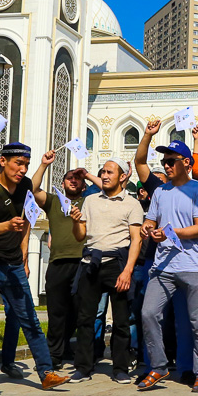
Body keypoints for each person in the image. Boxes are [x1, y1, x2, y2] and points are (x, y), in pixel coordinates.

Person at [0, 142, 69, 396]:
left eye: (26, 165)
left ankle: (46, 373)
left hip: (14, 265)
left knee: (30, 320)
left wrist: (43, 164)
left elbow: (34, 186)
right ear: (3, 161)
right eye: (18, 163)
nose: (22, 169)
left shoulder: (23, 186)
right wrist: (6, 226)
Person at [137, 138, 198, 391]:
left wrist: (171, 233)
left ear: (187, 163)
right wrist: (150, 229)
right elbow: (150, 221)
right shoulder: (160, 192)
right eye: (164, 162)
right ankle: (159, 367)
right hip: (162, 267)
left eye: (171, 161)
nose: (167, 166)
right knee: (148, 313)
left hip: (192, 266)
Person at [74, 160, 143, 384]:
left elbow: (136, 240)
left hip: (117, 263)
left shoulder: (132, 204)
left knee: (122, 320)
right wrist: (76, 222)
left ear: (122, 177)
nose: (104, 175)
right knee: (85, 318)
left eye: (109, 172)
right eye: (102, 171)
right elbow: (80, 235)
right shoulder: (90, 200)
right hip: (90, 261)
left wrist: (128, 272)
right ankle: (83, 367)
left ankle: (120, 368)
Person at [29, 151, 87, 371]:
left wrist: (88, 174)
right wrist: (44, 164)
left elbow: (105, 189)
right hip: (58, 263)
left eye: (77, 178)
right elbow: (33, 190)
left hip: (83, 262)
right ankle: (53, 356)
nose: (73, 180)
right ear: (62, 183)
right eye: (69, 178)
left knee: (79, 312)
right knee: (56, 312)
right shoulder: (54, 201)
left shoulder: (89, 201)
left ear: (82, 185)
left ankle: (69, 351)